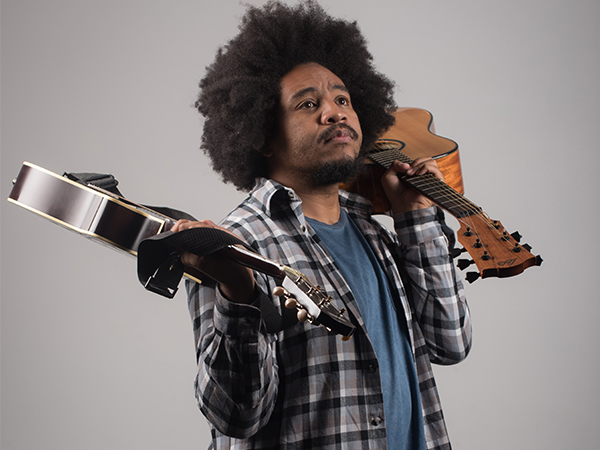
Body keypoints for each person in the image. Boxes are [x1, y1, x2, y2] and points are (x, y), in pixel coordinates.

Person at [172, 1, 472, 449]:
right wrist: (239, 295)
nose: (335, 113)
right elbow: (236, 415)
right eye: (308, 104)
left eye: (343, 99)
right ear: (264, 136)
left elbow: (451, 342)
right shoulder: (237, 244)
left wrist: (415, 217)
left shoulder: (376, 236)